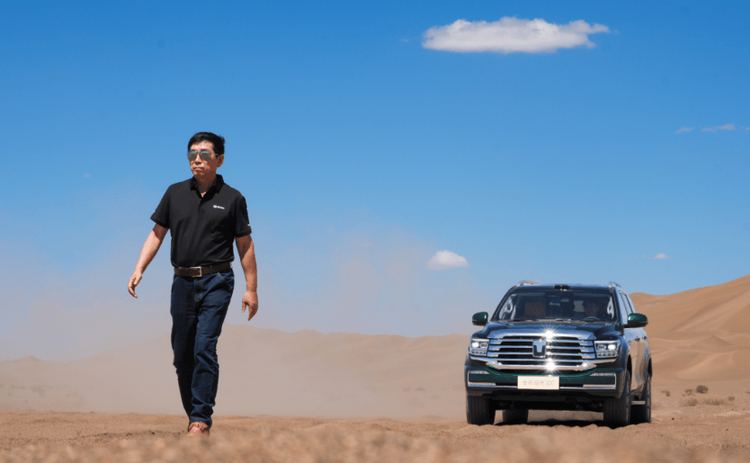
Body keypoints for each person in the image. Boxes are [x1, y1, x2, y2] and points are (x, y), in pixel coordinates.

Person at [127, 132, 258, 436]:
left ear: (219, 160)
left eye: (204, 154)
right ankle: (194, 419)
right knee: (182, 356)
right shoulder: (174, 193)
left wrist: (251, 289)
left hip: (217, 280)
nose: (197, 159)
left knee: (204, 348)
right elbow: (157, 233)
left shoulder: (233, 198)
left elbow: (245, 244)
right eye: (192, 154)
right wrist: (139, 268)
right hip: (182, 282)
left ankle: (200, 420)